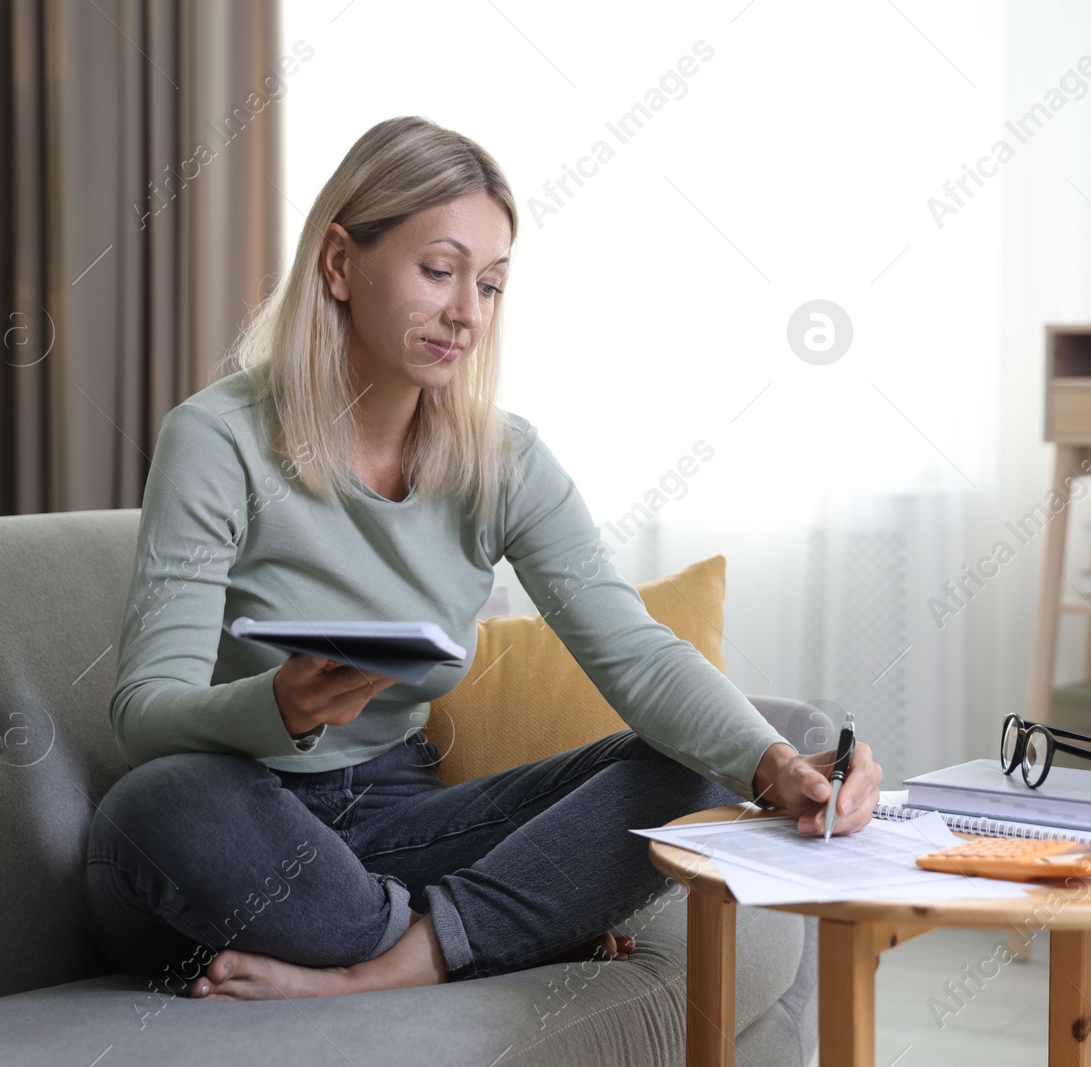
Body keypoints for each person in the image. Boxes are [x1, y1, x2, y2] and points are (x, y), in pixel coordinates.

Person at [81, 115, 882, 1002]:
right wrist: (281, 707)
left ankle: (389, 961)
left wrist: (777, 769)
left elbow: (635, 652)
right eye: (439, 271)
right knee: (165, 805)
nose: (467, 313)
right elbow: (144, 715)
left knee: (723, 752)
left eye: (491, 284)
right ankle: (474, 931)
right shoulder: (216, 438)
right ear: (340, 264)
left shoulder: (504, 460)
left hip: (394, 820)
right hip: (236, 818)